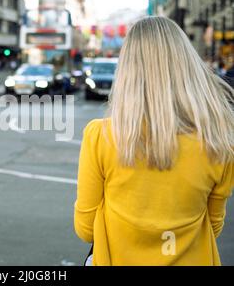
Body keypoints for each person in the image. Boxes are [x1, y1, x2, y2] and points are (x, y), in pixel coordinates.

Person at [74, 16, 234, 266]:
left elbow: (85, 229)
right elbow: (213, 226)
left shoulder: (100, 137)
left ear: (127, 70)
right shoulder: (219, 140)